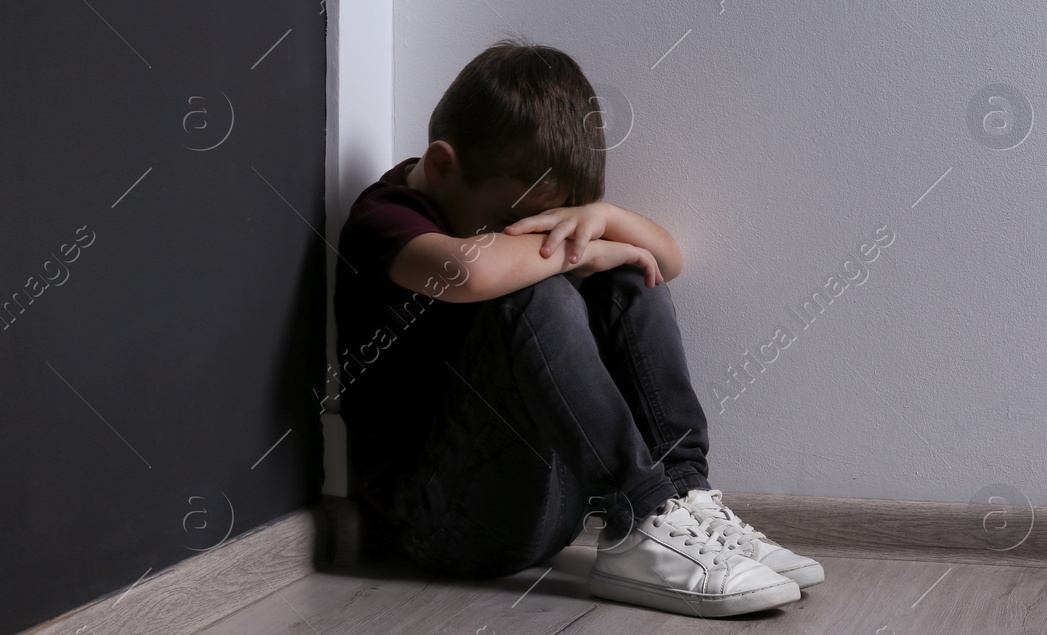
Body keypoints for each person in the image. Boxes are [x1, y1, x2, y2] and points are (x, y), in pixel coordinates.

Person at [331, 37, 822, 618]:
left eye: (557, 220)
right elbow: (473, 272)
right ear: (442, 167)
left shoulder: (479, 196)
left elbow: (668, 259)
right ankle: (640, 517)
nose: (543, 236)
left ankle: (682, 500)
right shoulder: (384, 218)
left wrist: (606, 221)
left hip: (550, 508)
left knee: (632, 277)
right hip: (438, 522)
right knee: (534, 292)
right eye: (521, 221)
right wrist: (577, 252)